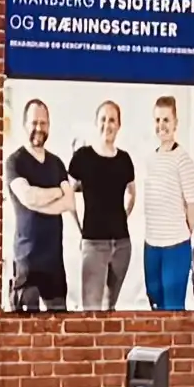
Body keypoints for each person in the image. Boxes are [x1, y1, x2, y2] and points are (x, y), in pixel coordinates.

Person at [65, 100, 139, 310]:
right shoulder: (82, 157)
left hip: (122, 245)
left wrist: (122, 217)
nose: (108, 124)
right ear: (96, 123)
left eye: (112, 120)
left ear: (119, 125)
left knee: (110, 307)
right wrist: (79, 228)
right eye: (103, 119)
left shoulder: (124, 159)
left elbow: (132, 194)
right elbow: (68, 196)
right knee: (91, 309)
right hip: (93, 244)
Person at [134, 93, 194, 313]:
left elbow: (192, 206)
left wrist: (180, 233)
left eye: (166, 120)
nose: (161, 125)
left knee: (172, 309)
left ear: (175, 124)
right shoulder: (150, 159)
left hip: (175, 247)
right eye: (157, 120)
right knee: (155, 303)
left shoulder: (183, 159)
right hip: (151, 247)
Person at [4, 97, 72, 312]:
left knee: (60, 329)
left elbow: (70, 202)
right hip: (27, 262)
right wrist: (57, 192)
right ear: (25, 125)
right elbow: (28, 197)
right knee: (26, 333)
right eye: (34, 123)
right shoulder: (15, 162)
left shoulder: (56, 163)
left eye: (43, 123)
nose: (38, 128)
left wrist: (40, 201)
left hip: (54, 262)